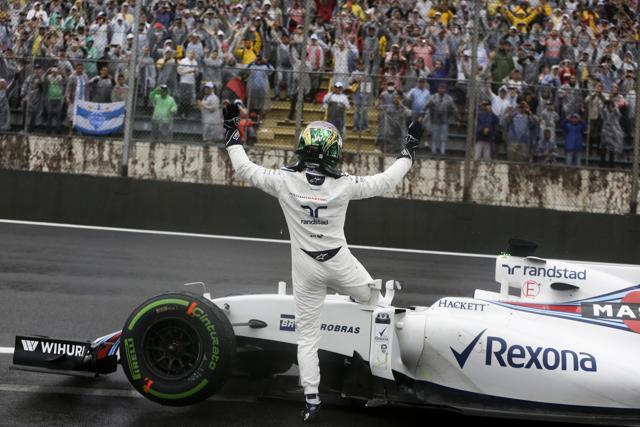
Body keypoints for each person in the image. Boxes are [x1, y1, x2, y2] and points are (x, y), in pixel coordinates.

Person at [222, 100, 423, 423]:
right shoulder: (344, 184)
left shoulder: (284, 181)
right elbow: (385, 181)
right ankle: (383, 375)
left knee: (307, 336)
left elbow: (244, 168)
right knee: (377, 306)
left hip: (305, 269)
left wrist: (231, 130)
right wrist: (409, 150)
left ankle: (312, 400)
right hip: (342, 264)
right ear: (333, 152)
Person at [424, 83, 457, 157]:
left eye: (443, 88)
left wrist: (456, 117)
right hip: (435, 120)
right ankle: (433, 152)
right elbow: (426, 106)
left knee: (443, 138)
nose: (441, 90)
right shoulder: (433, 97)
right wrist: (429, 106)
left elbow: (454, 108)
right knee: (434, 137)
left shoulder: (448, 98)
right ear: (438, 89)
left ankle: (442, 153)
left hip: (444, 120)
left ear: (445, 90)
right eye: (440, 88)